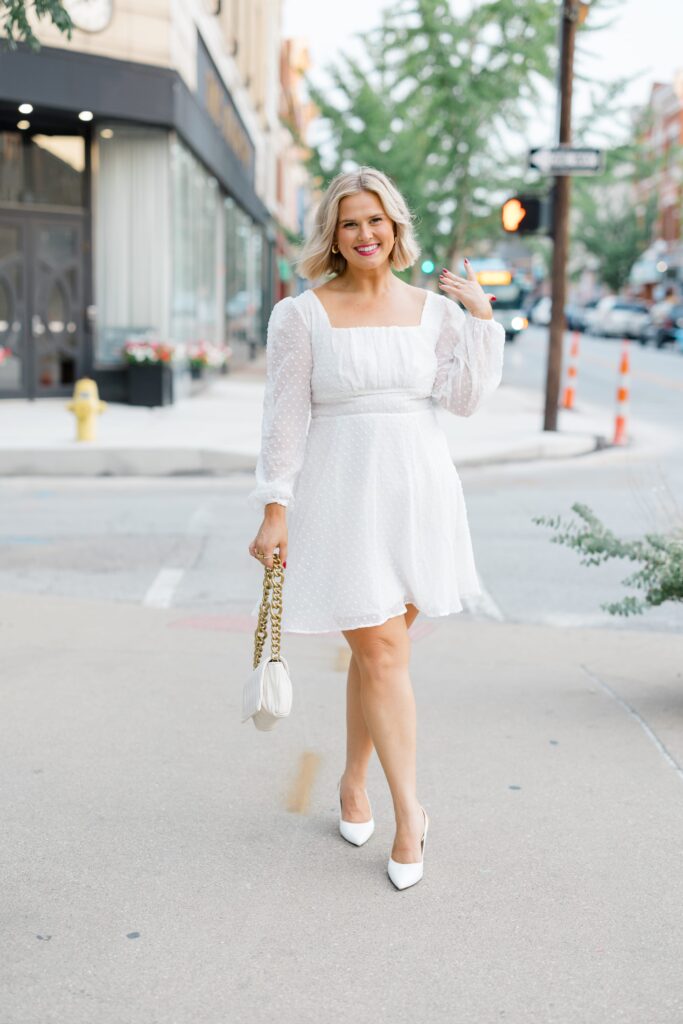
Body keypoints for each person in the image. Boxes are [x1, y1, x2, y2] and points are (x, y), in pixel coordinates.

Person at [247, 166, 505, 890]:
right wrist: (275, 505)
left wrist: (482, 321)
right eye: (351, 222)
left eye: (377, 221)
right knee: (385, 652)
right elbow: (284, 418)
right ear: (333, 233)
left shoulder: (435, 311)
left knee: (379, 653)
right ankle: (408, 817)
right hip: (340, 495)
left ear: (395, 230)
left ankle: (353, 781)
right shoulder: (301, 315)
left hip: (419, 492)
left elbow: (460, 401)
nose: (365, 233)